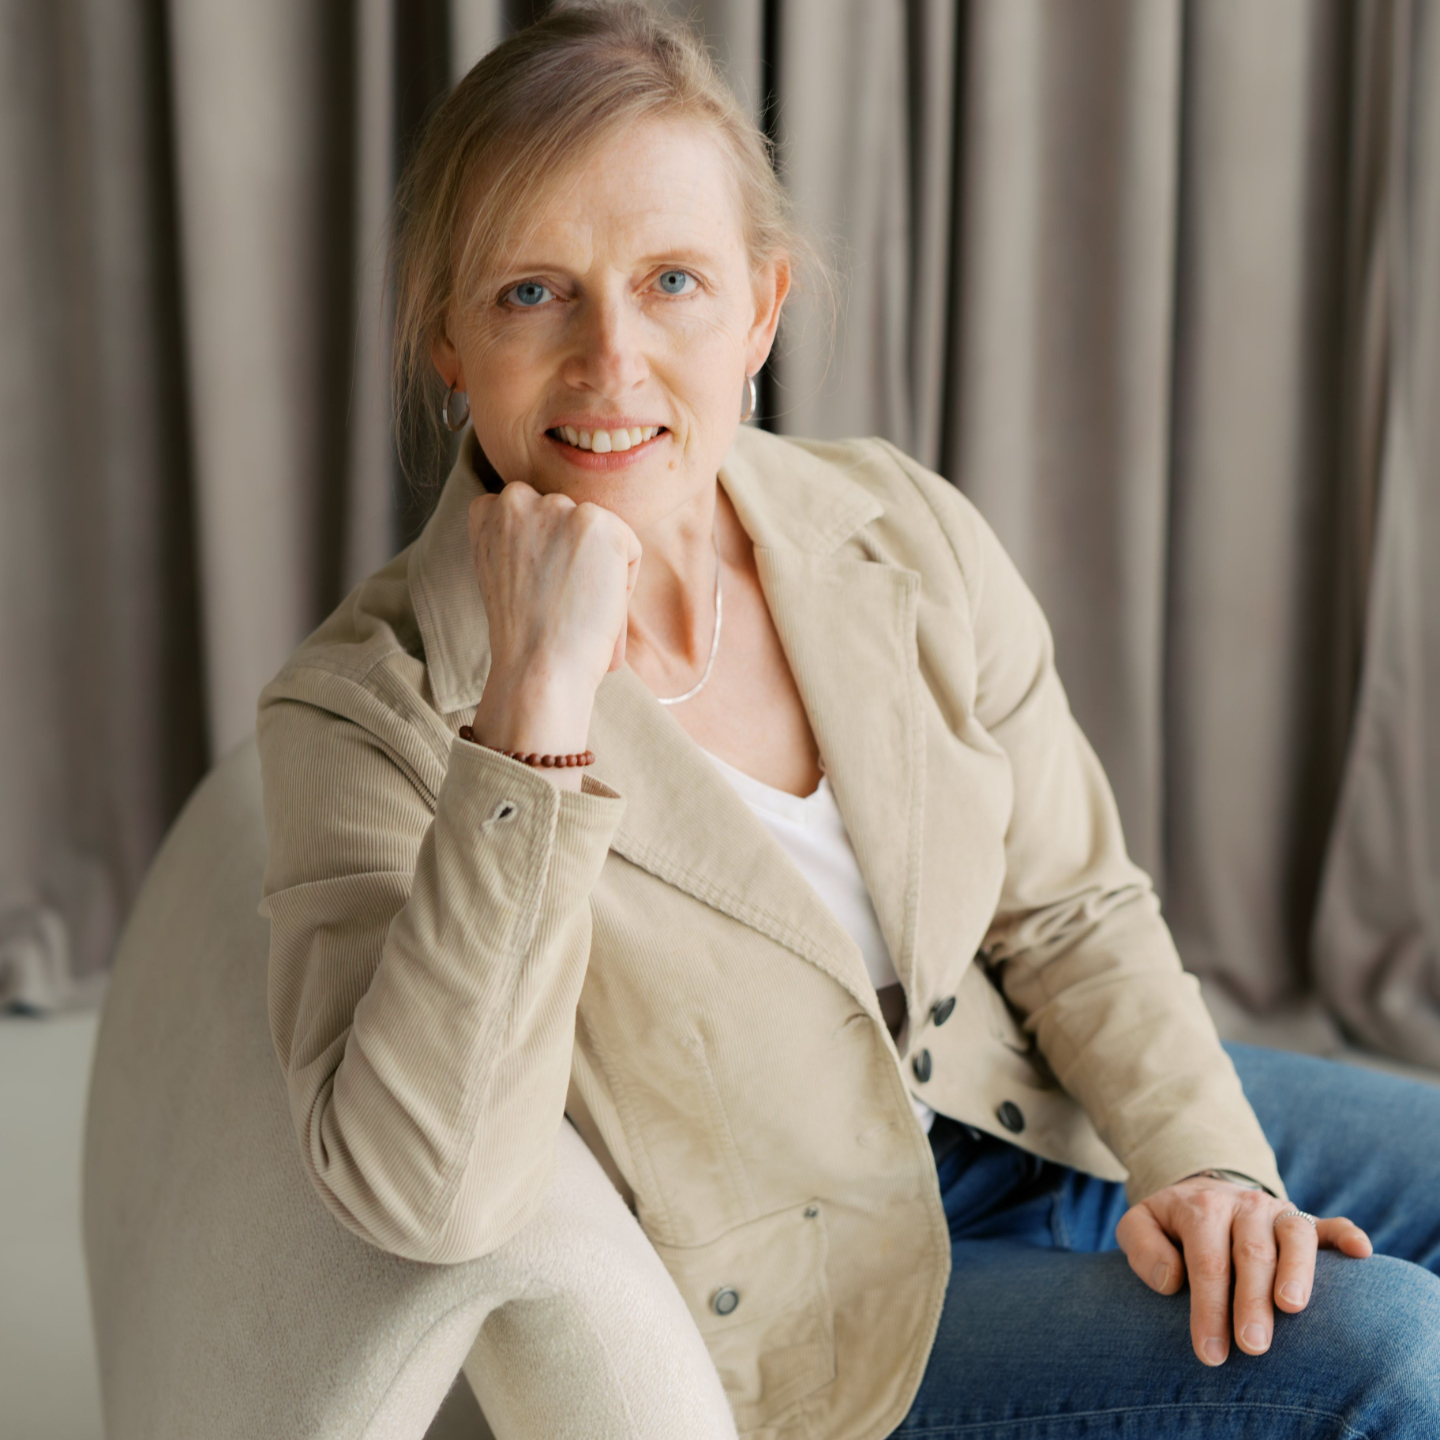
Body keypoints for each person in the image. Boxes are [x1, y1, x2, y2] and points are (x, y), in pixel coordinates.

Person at [256, 5, 1440, 1436]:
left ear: (760, 309)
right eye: (531, 292)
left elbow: (1070, 908)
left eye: (673, 281)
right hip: (821, 1303)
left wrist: (1201, 1162)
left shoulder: (897, 522)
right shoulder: (364, 714)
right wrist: (530, 715)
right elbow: (424, 1196)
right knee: (1387, 1357)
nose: (611, 360)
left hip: (1028, 1117)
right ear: (449, 337)